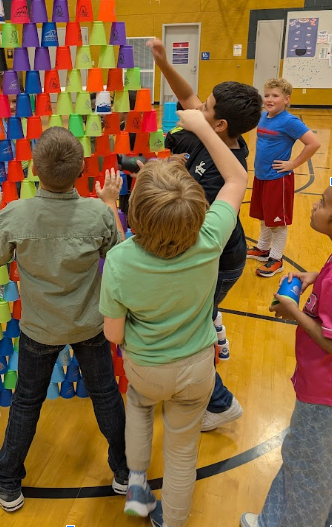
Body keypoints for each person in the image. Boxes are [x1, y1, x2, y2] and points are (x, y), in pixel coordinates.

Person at [100, 109, 248, 526]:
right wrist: (203, 127)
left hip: (146, 366)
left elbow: (113, 332)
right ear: (199, 207)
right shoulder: (209, 239)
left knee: (140, 412)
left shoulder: (120, 259)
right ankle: (173, 519)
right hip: (196, 368)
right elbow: (236, 178)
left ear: (134, 213)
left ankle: (137, 488)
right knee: (183, 450)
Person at [0, 126, 128, 512]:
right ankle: (126, 471)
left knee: (27, 401)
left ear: (34, 169)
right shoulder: (96, 212)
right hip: (90, 323)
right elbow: (121, 255)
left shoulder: (14, 214)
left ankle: (6, 480)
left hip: (40, 328)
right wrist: (110, 204)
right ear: (80, 171)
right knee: (106, 394)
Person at [149, 38, 263, 431]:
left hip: (219, 260)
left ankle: (219, 403)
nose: (197, 107)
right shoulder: (216, 137)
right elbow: (189, 96)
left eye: (207, 109)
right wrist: (163, 63)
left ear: (219, 126)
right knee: (202, 316)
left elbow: (196, 229)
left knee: (190, 330)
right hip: (214, 255)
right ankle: (212, 321)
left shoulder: (223, 169)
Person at [240, 186, 332, 527]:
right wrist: (314, 277)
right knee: (320, 463)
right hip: (323, 392)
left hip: (322, 394)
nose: (314, 205)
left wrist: (294, 312)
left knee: (305, 464)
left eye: (322, 204)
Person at [247, 78, 320, 278]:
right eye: (267, 95)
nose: (269, 99)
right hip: (261, 177)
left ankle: (276, 258)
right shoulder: (263, 117)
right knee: (264, 217)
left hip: (277, 180)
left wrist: (293, 164)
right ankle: (263, 249)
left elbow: (313, 143)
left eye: (275, 96)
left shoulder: (290, 121)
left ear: (286, 99)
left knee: (277, 222)